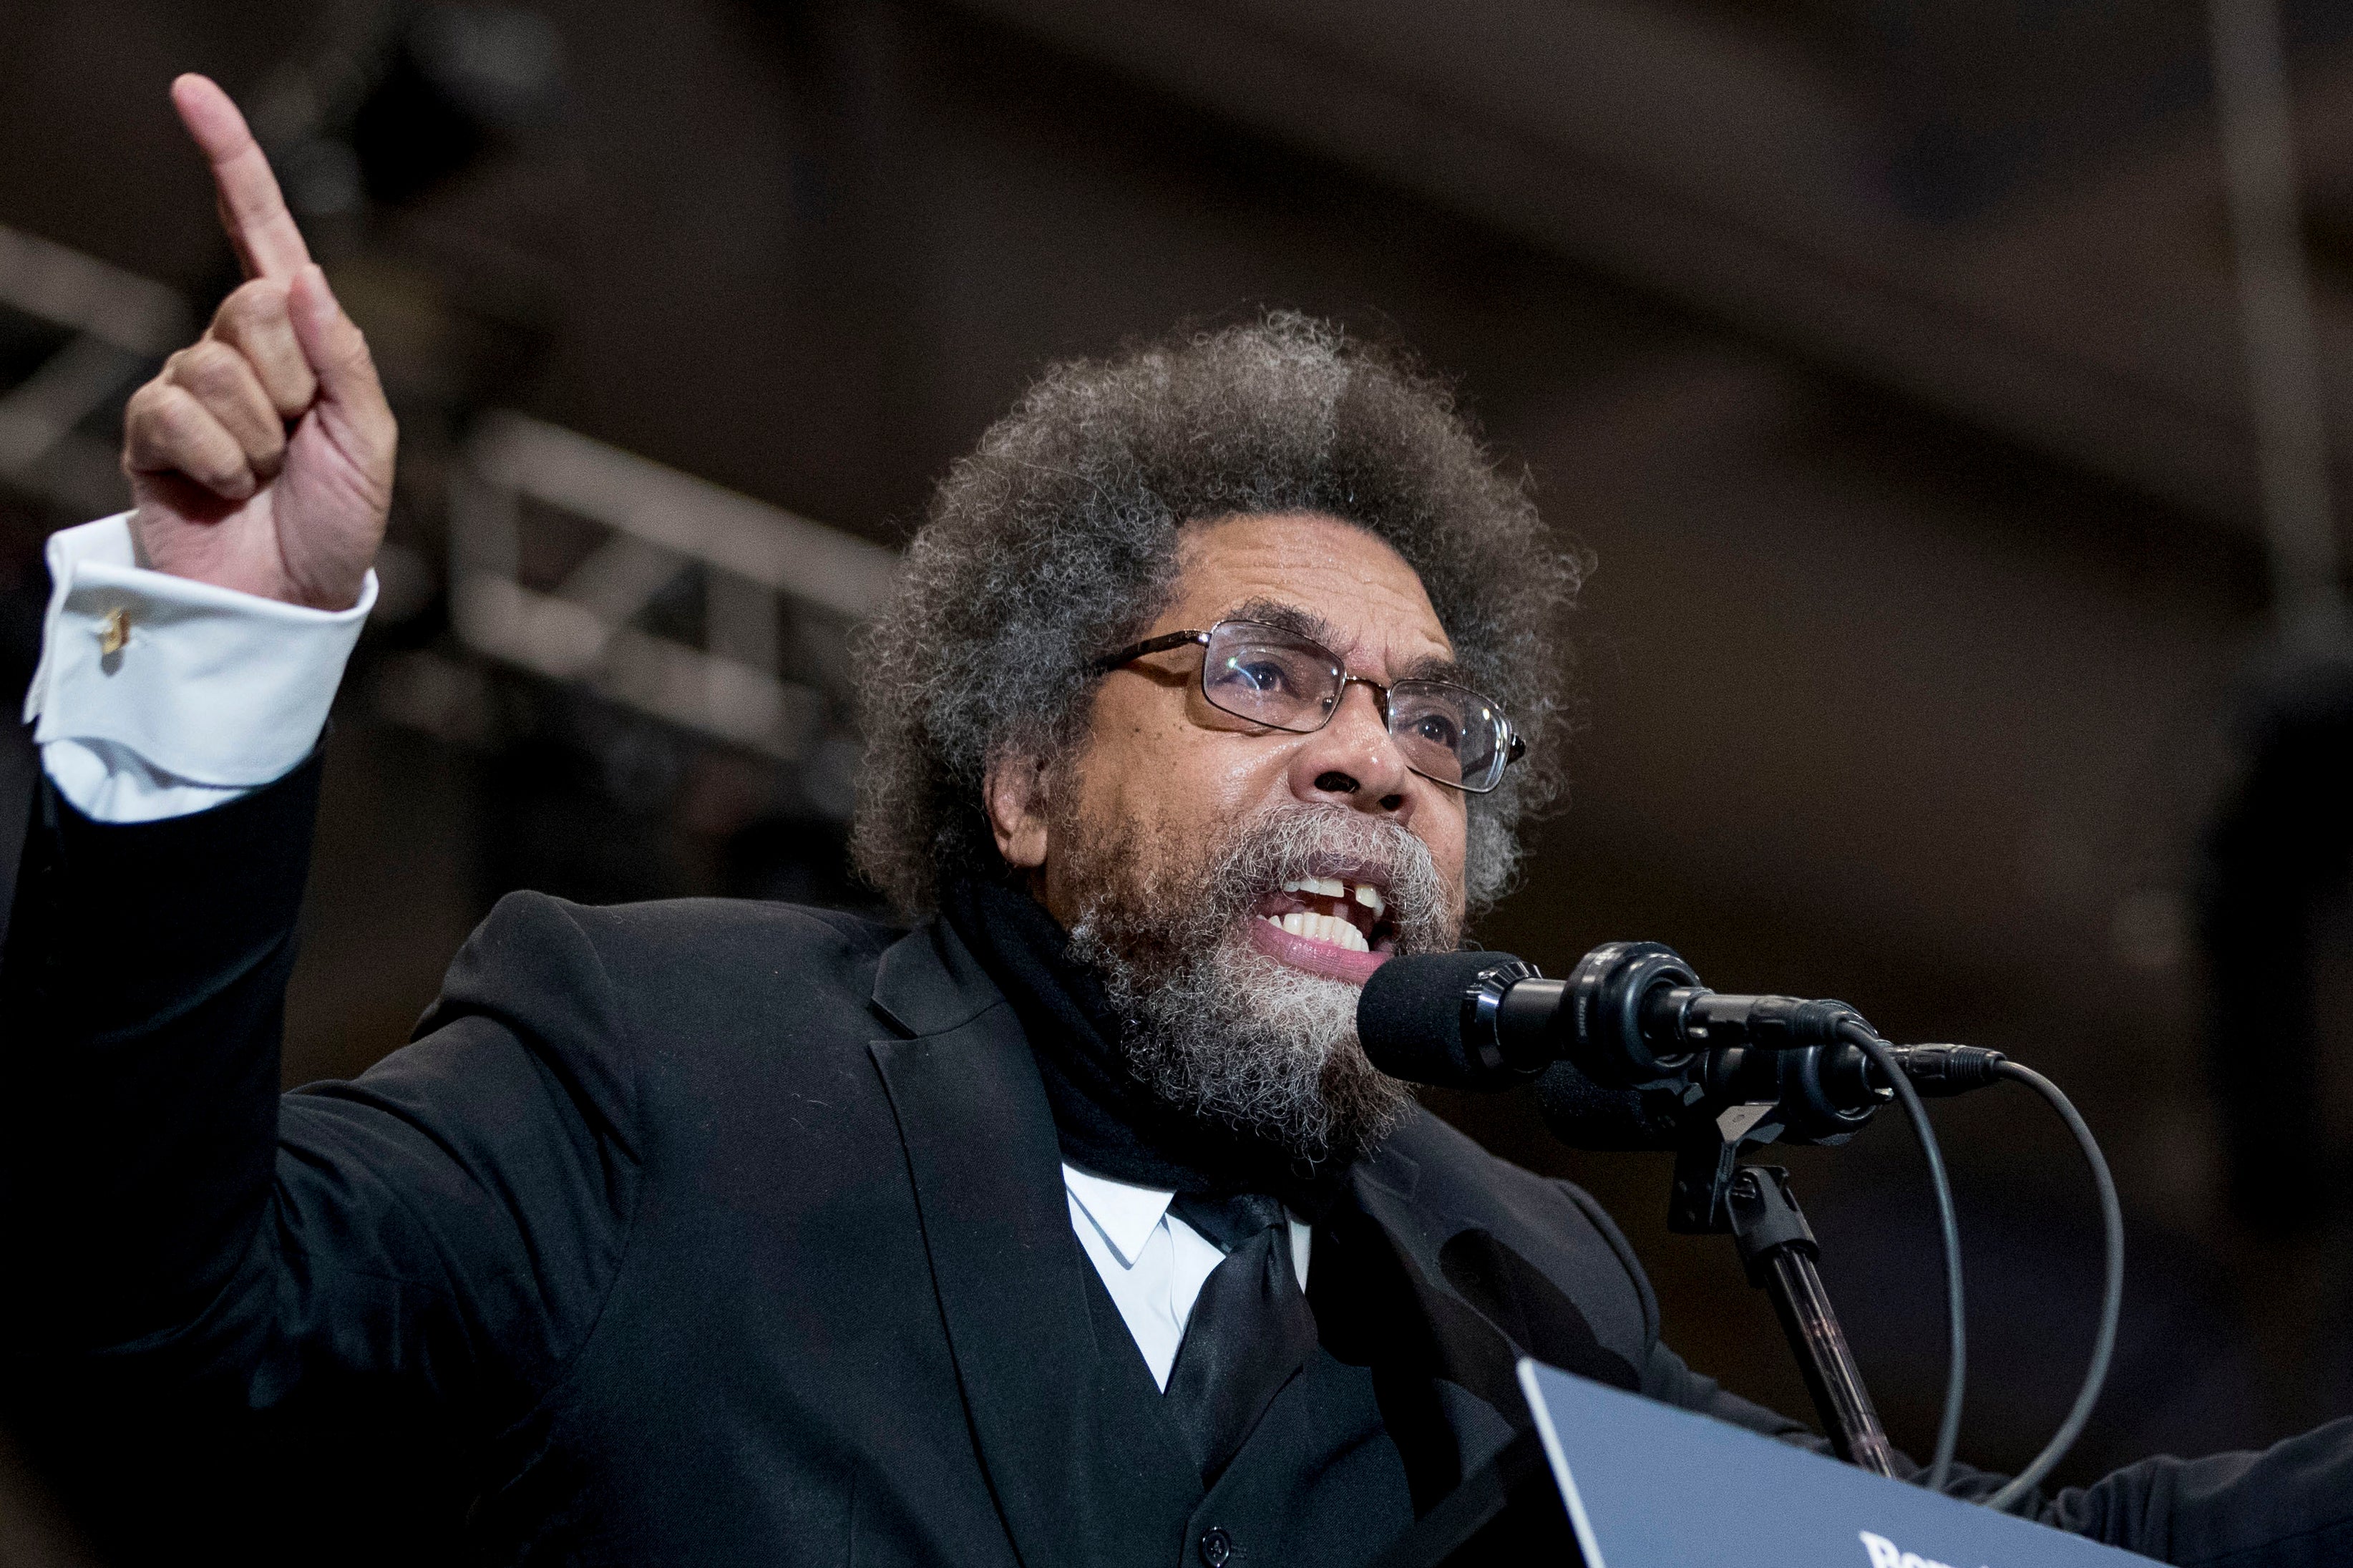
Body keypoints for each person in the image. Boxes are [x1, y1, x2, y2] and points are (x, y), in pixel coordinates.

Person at [4, 73, 2351, 1568]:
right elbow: (152, 1331)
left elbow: (1978, 1565)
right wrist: (212, 658)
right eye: (1266, 678)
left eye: (1439, 732)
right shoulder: (669, 1059)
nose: (1373, 760)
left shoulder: (1520, 1280)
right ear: (1023, 774)